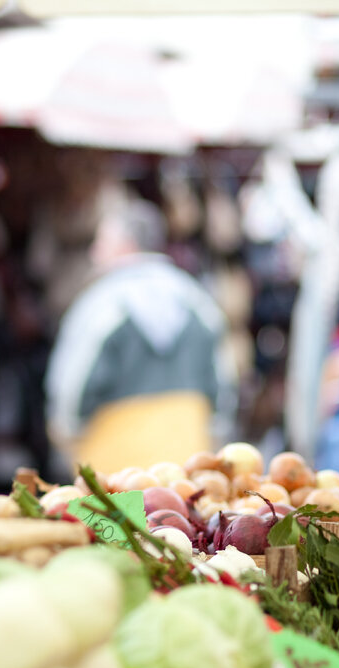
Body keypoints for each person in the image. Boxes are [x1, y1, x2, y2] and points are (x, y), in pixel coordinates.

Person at [45, 198, 236, 477]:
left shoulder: (102, 302)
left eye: (101, 242)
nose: (94, 252)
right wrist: (217, 431)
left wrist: (65, 432)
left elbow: (74, 380)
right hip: (185, 454)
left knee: (112, 521)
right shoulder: (194, 298)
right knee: (179, 521)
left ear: (126, 244)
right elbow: (223, 376)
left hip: (113, 461)